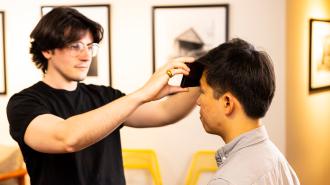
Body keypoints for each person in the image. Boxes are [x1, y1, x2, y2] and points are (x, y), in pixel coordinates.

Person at [6, 6, 200, 185]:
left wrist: (201, 77)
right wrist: (143, 93)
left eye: (90, 47)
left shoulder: (105, 96)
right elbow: (66, 138)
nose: (86, 56)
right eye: (75, 46)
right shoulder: (24, 103)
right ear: (47, 50)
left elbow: (165, 112)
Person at [196, 38, 300, 185]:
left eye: (202, 92)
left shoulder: (226, 181)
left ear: (227, 103)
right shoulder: (279, 163)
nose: (197, 101)